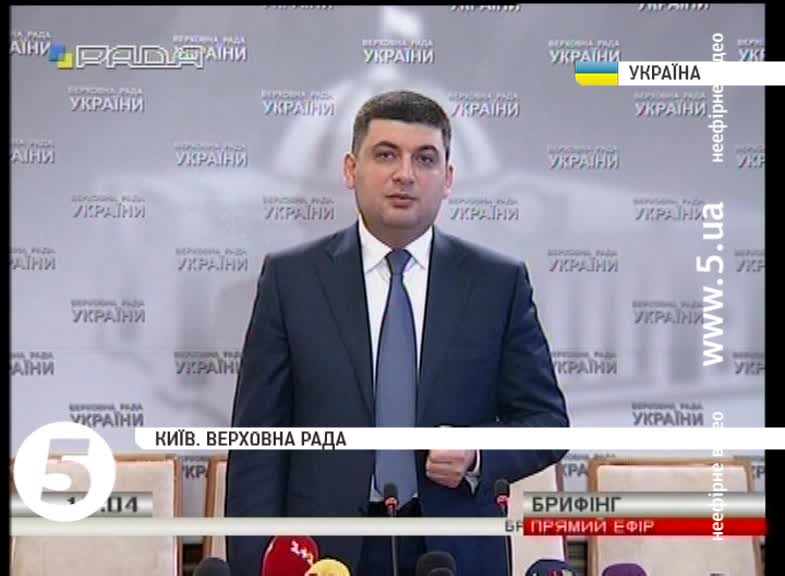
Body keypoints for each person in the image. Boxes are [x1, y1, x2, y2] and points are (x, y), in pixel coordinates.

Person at [225, 90, 569, 576]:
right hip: (324, 552)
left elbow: (547, 422)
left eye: (425, 159)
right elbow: (258, 442)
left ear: (448, 179)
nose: (405, 174)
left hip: (454, 555)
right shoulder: (292, 280)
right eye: (386, 155)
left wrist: (477, 453)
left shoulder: (497, 283)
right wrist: (254, 563)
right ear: (351, 170)